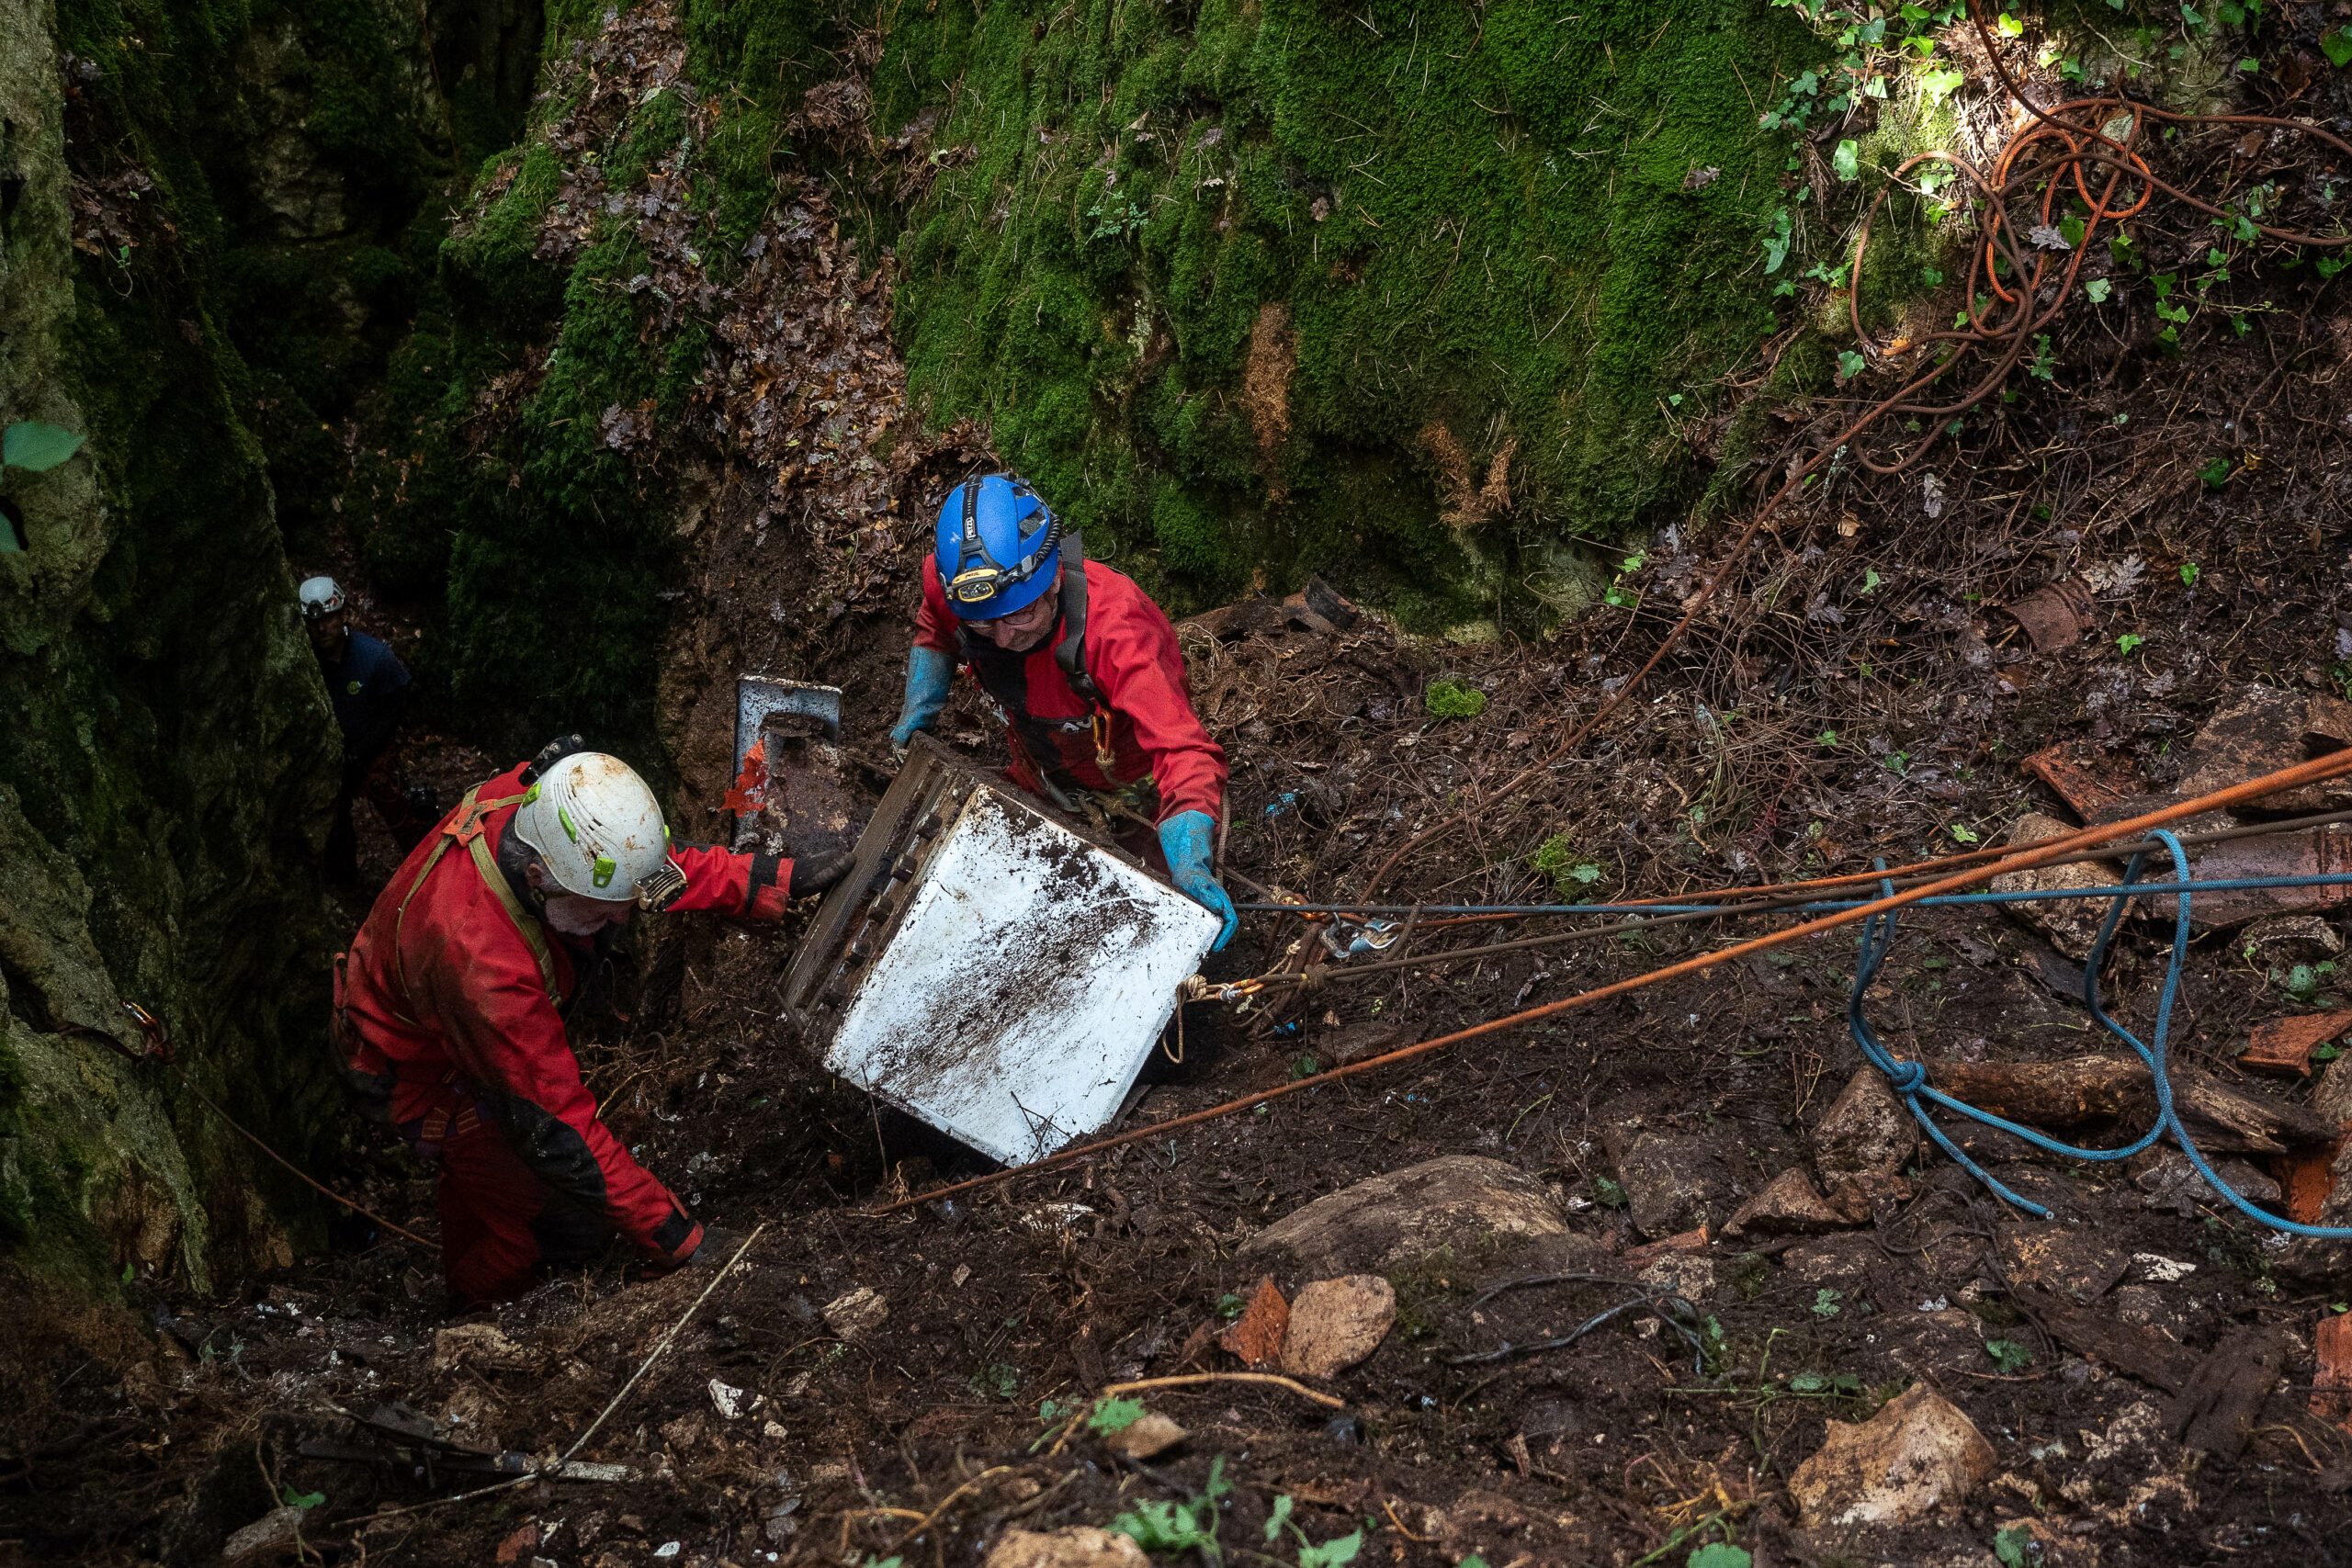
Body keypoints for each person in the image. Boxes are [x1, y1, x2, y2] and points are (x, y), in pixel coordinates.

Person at [334, 737, 851, 1304]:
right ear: (538, 880)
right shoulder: (483, 967)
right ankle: (465, 1321)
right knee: (552, 1229)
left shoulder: (535, 806)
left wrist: (764, 881)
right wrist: (679, 1238)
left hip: (425, 1007)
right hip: (415, 1074)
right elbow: (556, 1129)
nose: (627, 917)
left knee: (494, 1188)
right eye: (607, 909)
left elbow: (633, 870)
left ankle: (475, 1218)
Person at [888, 473, 1237, 949]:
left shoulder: (1118, 632)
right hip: (1038, 784)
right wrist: (918, 711)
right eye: (984, 626)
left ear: (1052, 575)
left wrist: (1190, 862)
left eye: (1020, 616)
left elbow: (1185, 751)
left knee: (1139, 936)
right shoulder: (962, 590)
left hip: (1138, 804)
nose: (1005, 639)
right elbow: (936, 624)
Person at [301, 575, 428, 884]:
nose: (322, 629)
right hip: (333, 753)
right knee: (333, 814)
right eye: (314, 622)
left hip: (371, 745)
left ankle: (424, 866)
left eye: (328, 620)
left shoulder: (374, 658)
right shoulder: (304, 666)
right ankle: (344, 879)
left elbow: (393, 708)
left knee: (392, 799)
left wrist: (364, 752)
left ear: (341, 615)